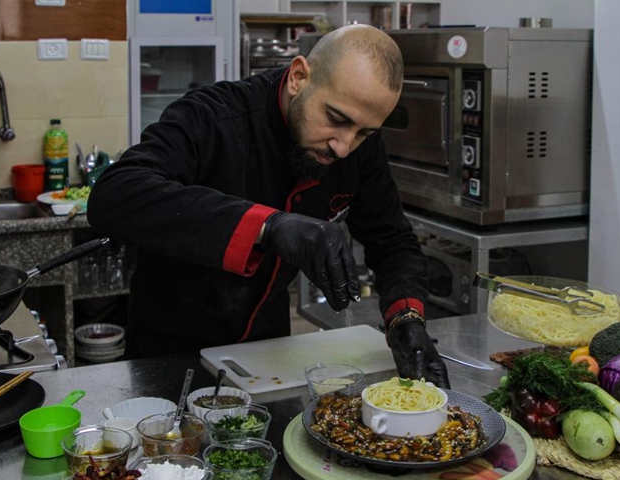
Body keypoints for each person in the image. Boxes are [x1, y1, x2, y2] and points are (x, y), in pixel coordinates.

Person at [87, 24, 449, 388]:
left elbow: (392, 240)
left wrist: (406, 318)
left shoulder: (357, 143)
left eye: (364, 133)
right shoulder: (213, 117)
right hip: (169, 349)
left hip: (268, 353)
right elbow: (115, 193)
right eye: (336, 119)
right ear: (298, 77)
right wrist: (268, 227)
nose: (344, 146)